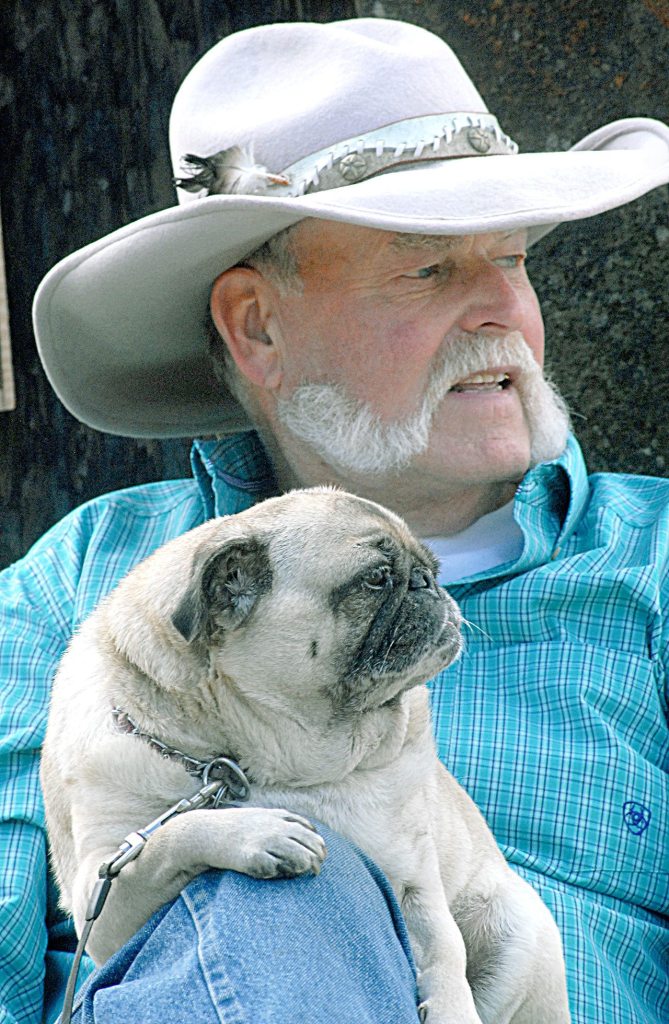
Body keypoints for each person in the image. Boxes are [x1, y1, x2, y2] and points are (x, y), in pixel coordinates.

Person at [2, 16, 668, 1024]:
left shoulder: (654, 567)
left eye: (517, 260)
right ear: (257, 325)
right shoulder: (79, 583)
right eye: (431, 268)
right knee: (283, 879)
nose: (505, 311)